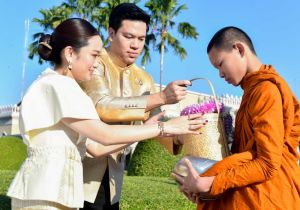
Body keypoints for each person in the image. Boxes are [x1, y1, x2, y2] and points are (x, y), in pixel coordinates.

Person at [6, 18, 204, 210]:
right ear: (70, 54)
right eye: (93, 55)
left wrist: (157, 129)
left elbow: (98, 147)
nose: (95, 62)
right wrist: (164, 126)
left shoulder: (62, 85)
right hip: (46, 191)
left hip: (58, 192)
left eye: (141, 39)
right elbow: (104, 133)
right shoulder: (57, 85)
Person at [79, 3, 192, 210]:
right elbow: (103, 106)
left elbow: (154, 126)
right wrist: (161, 97)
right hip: (81, 175)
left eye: (141, 39)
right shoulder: (93, 64)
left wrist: (183, 133)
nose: (136, 45)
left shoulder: (144, 79)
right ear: (111, 33)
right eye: (128, 37)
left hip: (114, 182)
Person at [173, 26, 300, 209]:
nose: (220, 74)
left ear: (239, 49)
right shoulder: (252, 91)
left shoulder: (266, 90)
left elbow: (268, 164)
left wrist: (210, 184)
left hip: (269, 197)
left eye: (221, 64)